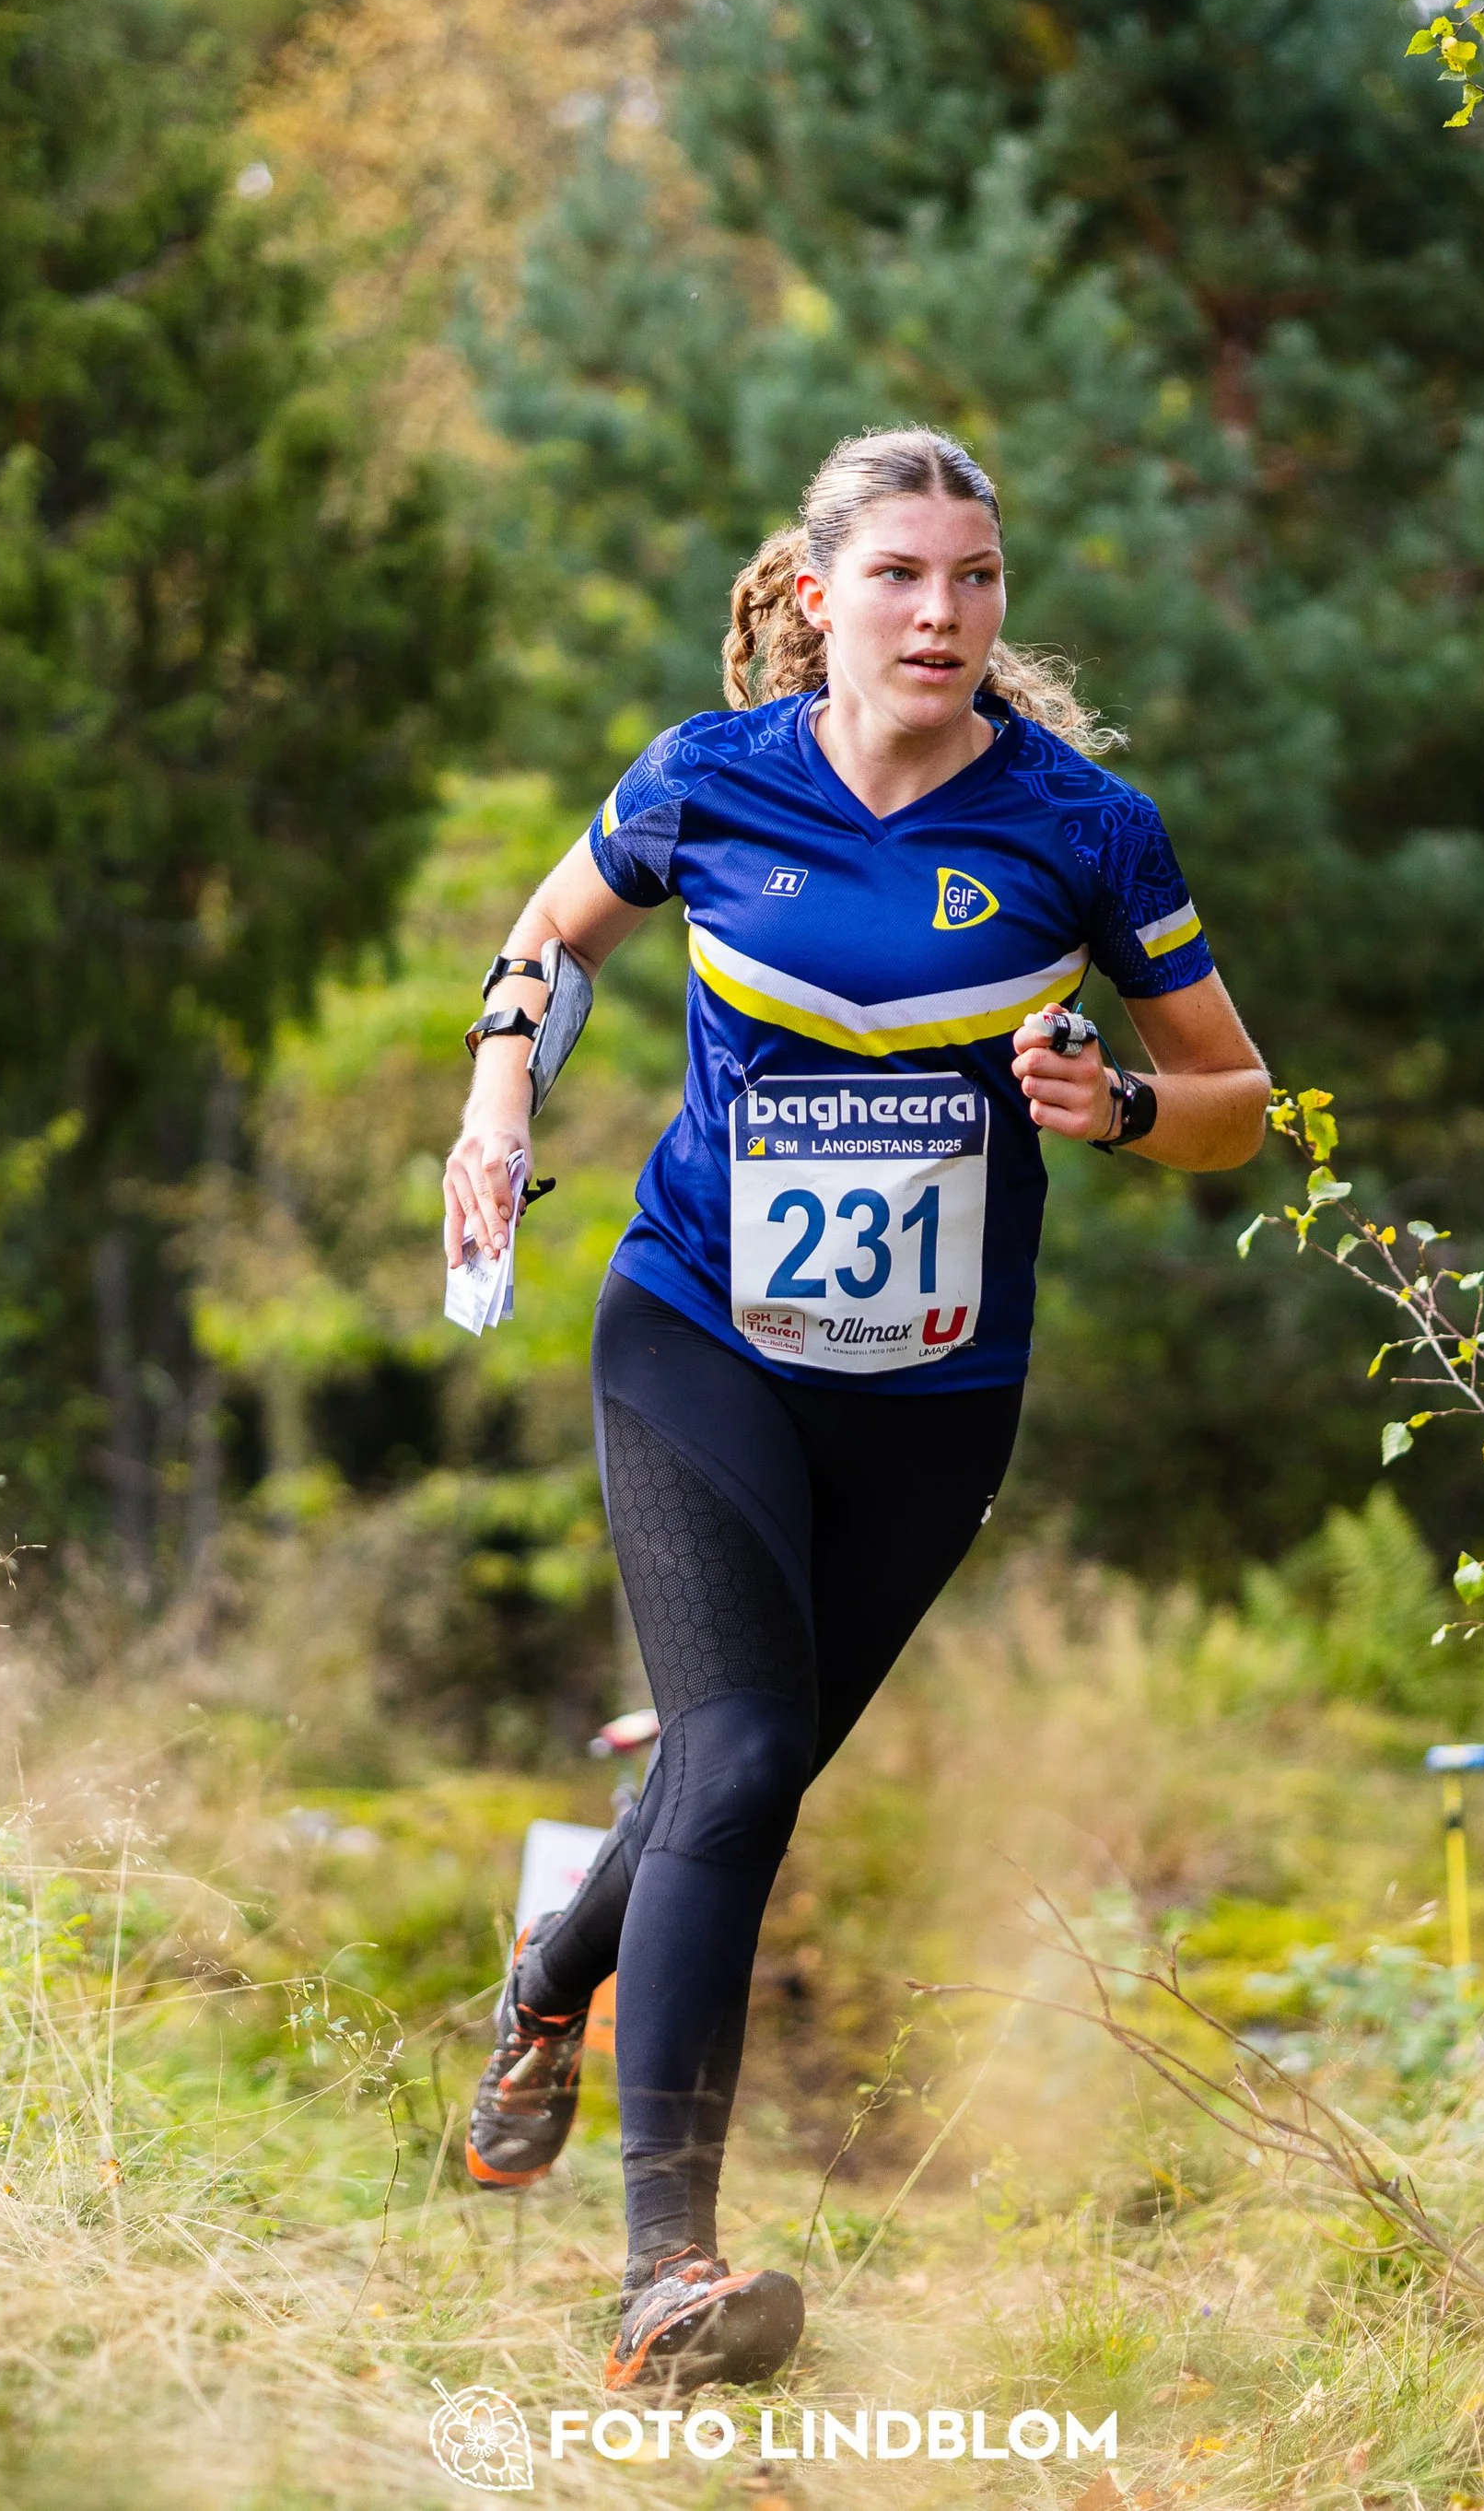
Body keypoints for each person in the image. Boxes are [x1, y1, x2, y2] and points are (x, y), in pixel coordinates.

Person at [440, 426, 1268, 2392]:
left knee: (750, 1760)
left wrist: (1131, 1110)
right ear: (818, 594)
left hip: (929, 1392)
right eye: (901, 575)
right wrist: (493, 1108)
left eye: (976, 578)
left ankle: (546, 1985)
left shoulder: (1081, 827)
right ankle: (666, 2270)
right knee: (732, 1746)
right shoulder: (704, 778)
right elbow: (546, 937)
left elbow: (1237, 1099)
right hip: (697, 1326)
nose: (943, 613)